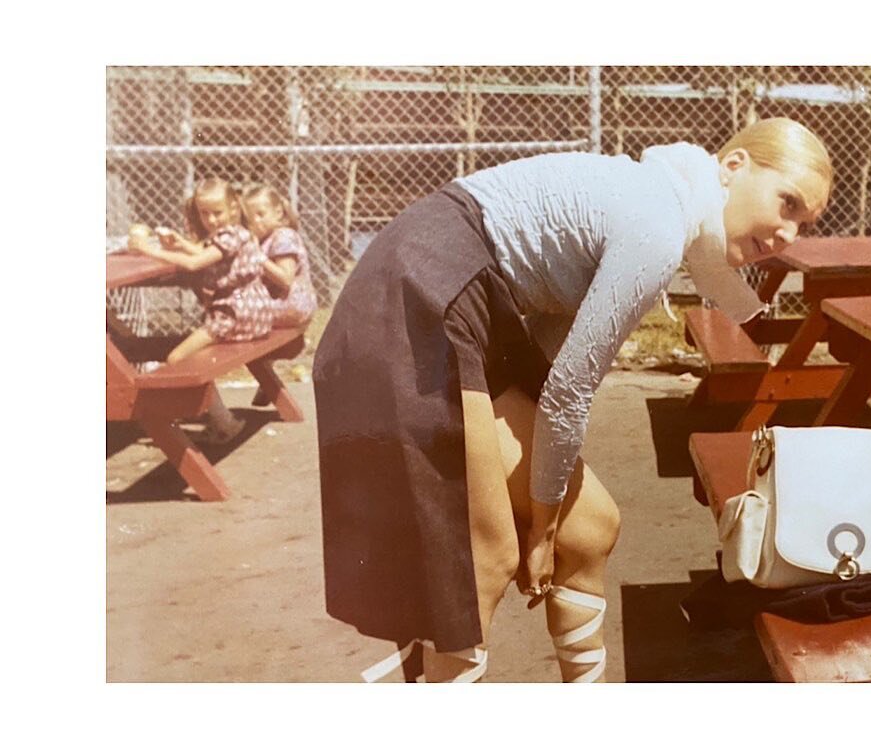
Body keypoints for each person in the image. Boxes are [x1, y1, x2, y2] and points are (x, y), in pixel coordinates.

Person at [313, 117, 833, 683]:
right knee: (484, 561)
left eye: (803, 223)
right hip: (419, 294)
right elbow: (568, 394)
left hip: (465, 301)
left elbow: (547, 357)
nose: (788, 235)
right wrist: (539, 527)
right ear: (733, 168)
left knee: (589, 529)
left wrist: (550, 515)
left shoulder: (664, 206)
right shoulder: (657, 222)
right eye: (787, 204)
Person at [128, 177, 274, 442]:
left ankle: (222, 423)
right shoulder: (237, 233)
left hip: (234, 315)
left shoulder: (229, 234)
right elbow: (202, 252)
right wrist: (180, 244)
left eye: (217, 213)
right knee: (186, 354)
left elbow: (195, 264)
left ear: (233, 208)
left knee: (177, 358)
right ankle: (204, 411)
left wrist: (149, 251)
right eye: (204, 214)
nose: (211, 220)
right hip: (254, 312)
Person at [242, 184, 317, 330]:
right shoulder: (266, 239)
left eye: (260, 214)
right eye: (249, 219)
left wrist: (256, 255)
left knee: (233, 314)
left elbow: (286, 279)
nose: (255, 221)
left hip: (291, 304)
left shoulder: (283, 236)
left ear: (278, 212)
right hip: (284, 305)